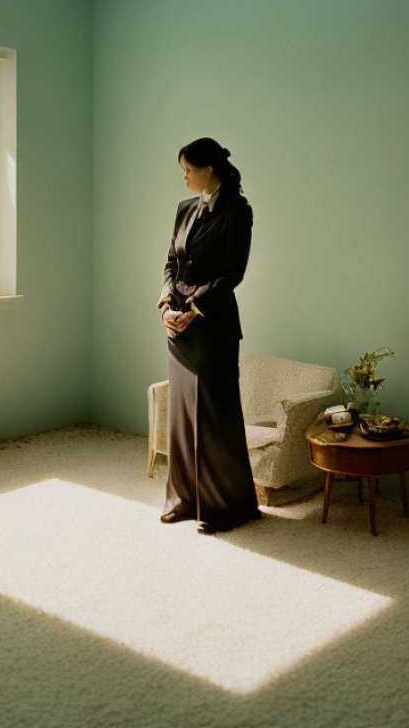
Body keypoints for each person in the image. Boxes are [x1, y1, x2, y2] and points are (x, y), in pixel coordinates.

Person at [156, 137, 262, 535]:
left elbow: (233, 272)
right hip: (177, 326)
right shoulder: (185, 208)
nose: (183, 175)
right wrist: (167, 300)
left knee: (216, 418)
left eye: (188, 168)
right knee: (182, 415)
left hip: (212, 324)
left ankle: (225, 507)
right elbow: (171, 261)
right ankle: (184, 500)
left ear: (210, 169)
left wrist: (194, 308)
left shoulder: (239, 211)